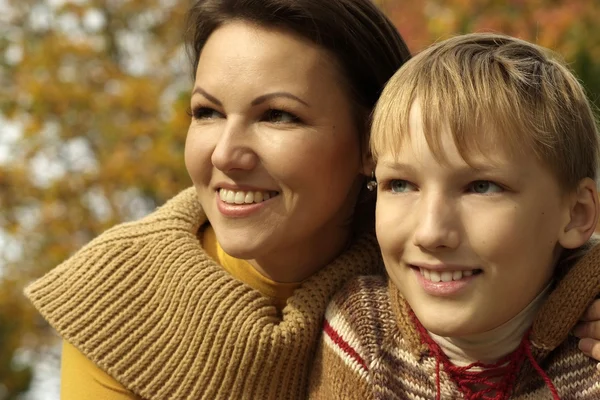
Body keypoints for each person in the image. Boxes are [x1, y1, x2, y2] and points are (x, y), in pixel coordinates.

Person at [24, 3, 600, 400]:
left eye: (278, 115)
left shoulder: (430, 265)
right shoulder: (120, 299)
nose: (226, 153)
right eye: (206, 112)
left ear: (369, 145)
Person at [310, 32, 600, 399]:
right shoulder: (364, 332)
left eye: (481, 187)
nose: (431, 232)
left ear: (576, 214)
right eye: (400, 185)